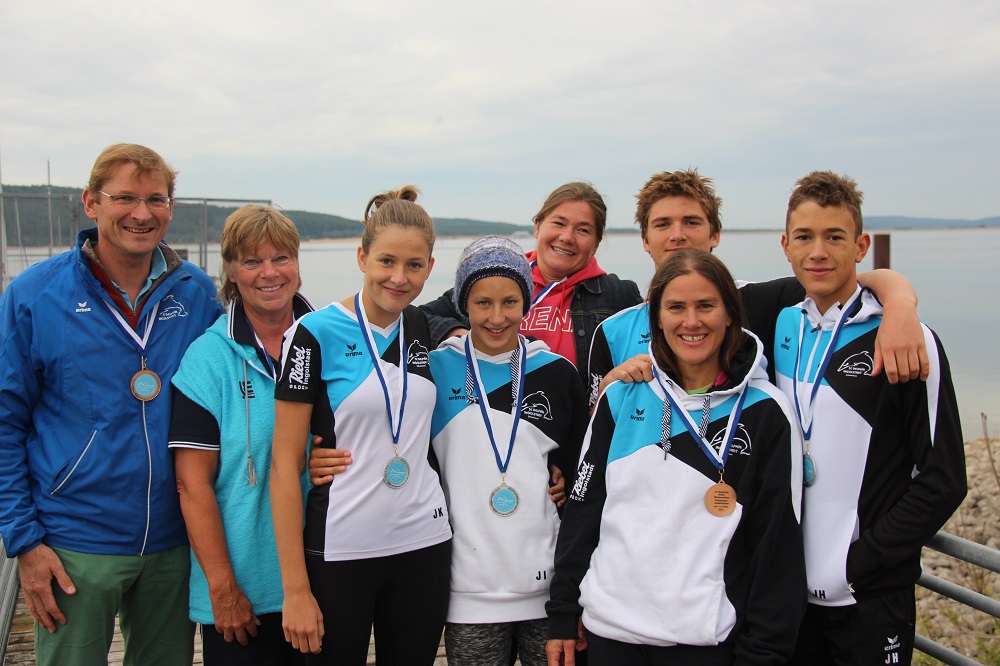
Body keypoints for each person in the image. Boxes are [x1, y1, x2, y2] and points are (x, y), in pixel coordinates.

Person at [0, 143, 221, 665]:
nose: (142, 213)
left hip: (173, 540)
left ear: (170, 207)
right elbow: (5, 423)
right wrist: (25, 544)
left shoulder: (195, 293)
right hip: (75, 541)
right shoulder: (35, 295)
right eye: (125, 197)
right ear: (91, 203)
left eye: (156, 199)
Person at [546, 249, 806, 665]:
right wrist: (563, 613)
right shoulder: (619, 396)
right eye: (676, 307)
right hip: (609, 632)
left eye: (706, 305)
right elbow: (584, 512)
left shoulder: (766, 412)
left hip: (705, 640)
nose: (691, 321)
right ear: (657, 319)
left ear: (729, 314)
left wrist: (765, 651)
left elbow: (777, 543)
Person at [773, 171, 967, 665]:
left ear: (860, 246)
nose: (818, 251)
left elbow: (943, 478)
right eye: (805, 237)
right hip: (791, 599)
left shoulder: (905, 339)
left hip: (868, 598)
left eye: (834, 237)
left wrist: (864, 563)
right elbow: (686, 304)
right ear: (785, 246)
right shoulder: (780, 322)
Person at [270, 186, 452, 665]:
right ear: (361, 256)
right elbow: (285, 465)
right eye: (386, 261)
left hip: (424, 542)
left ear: (430, 267)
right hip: (341, 547)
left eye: (414, 265)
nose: (399, 277)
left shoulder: (423, 327)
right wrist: (295, 590)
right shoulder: (313, 333)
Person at [588, 169, 929, 406]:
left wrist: (899, 303)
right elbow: (592, 425)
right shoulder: (614, 330)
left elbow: (841, 282)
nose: (678, 234)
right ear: (646, 240)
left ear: (715, 234)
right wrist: (608, 390)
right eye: (663, 224)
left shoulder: (761, 301)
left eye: (692, 222)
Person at [429, 236, 587, 666]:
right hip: (469, 589)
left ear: (526, 301)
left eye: (510, 302)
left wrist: (565, 480)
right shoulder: (435, 369)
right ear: (463, 304)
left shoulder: (556, 372)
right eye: (482, 303)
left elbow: (579, 473)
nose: (497, 317)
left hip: (547, 589)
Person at [169, 205, 313, 664]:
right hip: (244, 593)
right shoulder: (207, 359)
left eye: (281, 258)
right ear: (230, 271)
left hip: (326, 579)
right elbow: (193, 485)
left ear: (297, 263)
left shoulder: (331, 340)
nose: (269, 273)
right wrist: (222, 587)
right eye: (252, 262)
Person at [421, 181, 643, 396]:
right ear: (537, 227)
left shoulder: (618, 295)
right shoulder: (498, 278)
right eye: (558, 223)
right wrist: (458, 333)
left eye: (583, 230)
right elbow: (420, 318)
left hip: (575, 425)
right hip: (493, 417)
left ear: (595, 244)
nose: (566, 237)